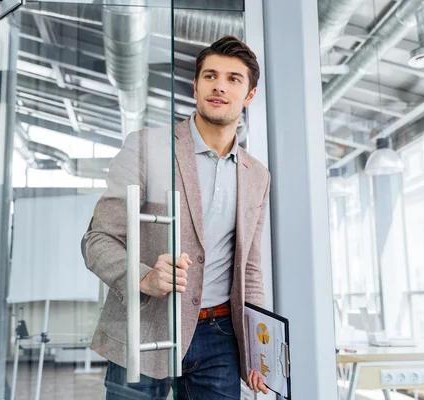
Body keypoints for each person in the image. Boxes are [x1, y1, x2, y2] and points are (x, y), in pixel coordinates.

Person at [84, 35, 271, 399]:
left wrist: (258, 349)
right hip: (143, 328)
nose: (220, 86)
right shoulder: (147, 147)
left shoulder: (256, 175)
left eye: (234, 79)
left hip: (219, 339)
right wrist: (143, 278)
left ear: (249, 95)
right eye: (210, 76)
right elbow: (98, 239)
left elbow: (249, 269)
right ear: (196, 85)